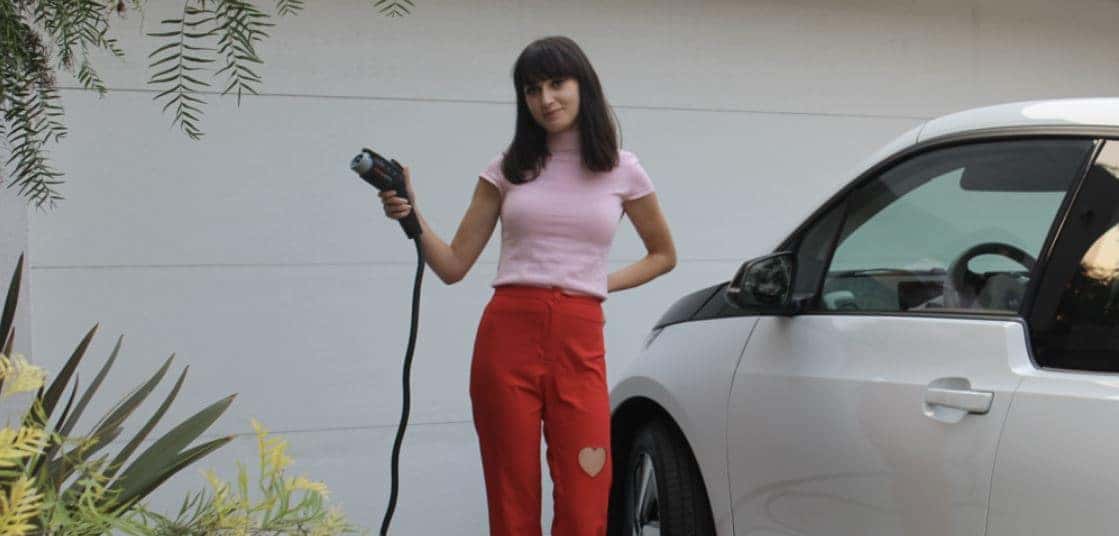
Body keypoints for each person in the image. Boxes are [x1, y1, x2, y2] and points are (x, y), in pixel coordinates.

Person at [378, 35, 676, 536]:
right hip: (506, 338)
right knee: (511, 496)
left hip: (579, 342)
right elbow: (453, 265)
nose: (546, 99)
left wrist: (597, 282)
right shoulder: (506, 169)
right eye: (532, 89)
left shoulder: (622, 169)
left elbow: (663, 255)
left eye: (557, 83)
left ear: (584, 85)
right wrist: (411, 213)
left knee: (586, 494)